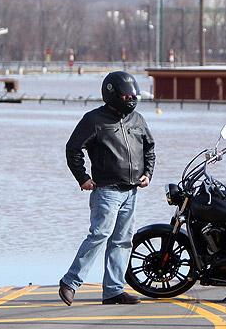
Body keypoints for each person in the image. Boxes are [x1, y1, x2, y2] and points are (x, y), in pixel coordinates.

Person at [58, 71, 155, 306]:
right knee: (99, 235)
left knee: (123, 240)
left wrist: (148, 174)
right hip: (106, 191)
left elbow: (149, 148)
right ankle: (70, 282)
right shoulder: (94, 120)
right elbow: (73, 149)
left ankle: (113, 291)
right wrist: (83, 178)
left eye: (133, 95)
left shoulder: (137, 120)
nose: (130, 99)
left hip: (131, 190)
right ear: (113, 94)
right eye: (126, 96)